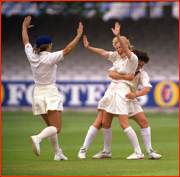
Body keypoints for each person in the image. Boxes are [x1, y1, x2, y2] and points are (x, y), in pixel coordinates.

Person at [78, 49, 162, 160]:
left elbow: (147, 89)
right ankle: (106, 151)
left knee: (144, 122)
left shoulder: (142, 73)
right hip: (115, 94)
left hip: (130, 97)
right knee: (104, 123)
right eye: (138, 64)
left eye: (142, 65)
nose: (139, 67)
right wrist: (126, 77)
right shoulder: (123, 63)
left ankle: (149, 152)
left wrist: (135, 94)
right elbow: (111, 73)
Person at [78, 22, 144, 159]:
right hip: (111, 90)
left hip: (122, 91)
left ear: (126, 46)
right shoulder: (116, 56)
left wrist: (118, 35)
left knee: (123, 123)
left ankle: (138, 152)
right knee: (104, 122)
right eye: (117, 47)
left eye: (121, 47)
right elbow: (103, 53)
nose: (119, 49)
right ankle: (106, 151)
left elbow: (123, 55)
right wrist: (88, 47)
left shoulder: (133, 59)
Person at [22, 16, 83, 161]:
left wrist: (24, 28)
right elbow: (68, 50)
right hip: (50, 92)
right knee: (57, 127)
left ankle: (57, 154)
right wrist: (78, 36)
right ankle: (38, 138)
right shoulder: (49, 57)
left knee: (51, 126)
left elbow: (26, 41)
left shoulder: (32, 55)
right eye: (51, 44)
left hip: (37, 92)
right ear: (48, 45)